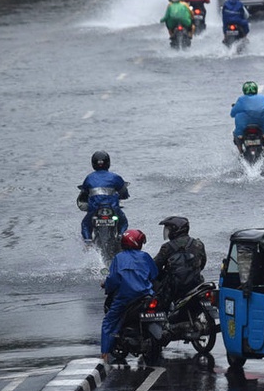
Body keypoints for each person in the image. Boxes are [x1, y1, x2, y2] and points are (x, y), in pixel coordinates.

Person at [100, 229, 157, 363]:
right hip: (146, 296)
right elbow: (154, 275)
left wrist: (106, 286)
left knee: (108, 323)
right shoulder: (145, 256)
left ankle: (104, 354)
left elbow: (113, 280)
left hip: (125, 299)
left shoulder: (119, 258)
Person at [153, 216, 206, 305]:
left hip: (174, 288)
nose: (167, 233)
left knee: (158, 305)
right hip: (195, 284)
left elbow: (155, 267)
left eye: (168, 230)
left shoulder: (167, 247)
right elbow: (202, 264)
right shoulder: (198, 244)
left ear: (175, 230)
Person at [79, 151, 130, 241]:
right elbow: (124, 193)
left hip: (94, 209)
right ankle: (120, 236)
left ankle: (88, 242)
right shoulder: (115, 177)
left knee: (86, 224)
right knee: (123, 222)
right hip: (113, 208)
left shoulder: (89, 178)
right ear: (108, 163)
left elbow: (84, 194)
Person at [230, 80, 264, 151]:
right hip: (261, 126)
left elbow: (232, 114)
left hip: (243, 128)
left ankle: (240, 151)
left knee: (237, 135)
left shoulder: (241, 100)